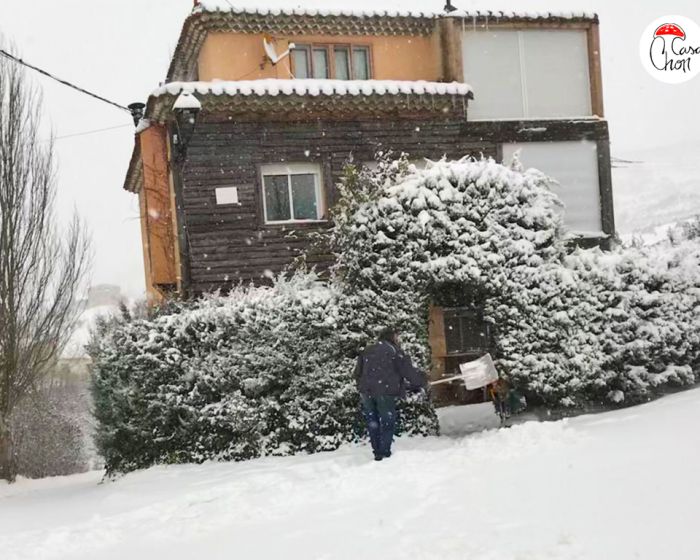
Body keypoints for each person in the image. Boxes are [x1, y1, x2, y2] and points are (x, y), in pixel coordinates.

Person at [354, 328, 426, 461]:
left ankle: (377, 451)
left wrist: (362, 386)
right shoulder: (394, 351)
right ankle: (385, 451)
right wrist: (421, 382)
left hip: (366, 392)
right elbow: (408, 371)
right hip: (385, 392)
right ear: (391, 337)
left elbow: (357, 373)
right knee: (387, 421)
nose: (398, 339)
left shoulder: (367, 350)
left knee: (372, 421)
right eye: (397, 336)